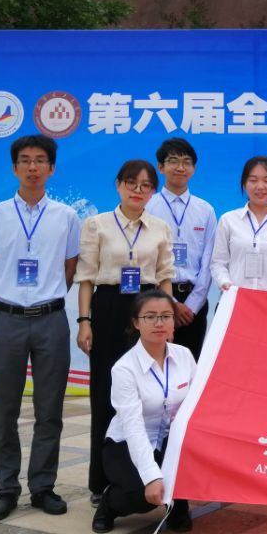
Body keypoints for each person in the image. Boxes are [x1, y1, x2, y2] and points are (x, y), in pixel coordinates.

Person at [0, 135, 81, 521]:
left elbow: (70, 268)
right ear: (14, 167)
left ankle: (43, 487)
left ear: (51, 168)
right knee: (4, 410)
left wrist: (46, 300)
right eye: (26, 160)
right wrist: (4, 306)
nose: (33, 167)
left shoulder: (66, 216)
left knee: (50, 411)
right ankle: (6, 489)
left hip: (51, 321)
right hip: (7, 322)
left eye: (40, 160)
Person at [75, 160, 175, 506]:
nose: (138, 190)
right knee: (105, 394)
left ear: (153, 191)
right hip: (109, 308)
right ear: (119, 185)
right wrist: (84, 321)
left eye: (146, 185)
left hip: (148, 308)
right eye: (131, 183)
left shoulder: (160, 227)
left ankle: (149, 474)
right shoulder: (97, 224)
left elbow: (165, 277)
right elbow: (86, 278)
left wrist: (166, 319)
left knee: (151, 395)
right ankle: (100, 481)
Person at [91, 290, 194, 533]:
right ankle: (109, 503)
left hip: (169, 439)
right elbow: (134, 428)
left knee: (195, 462)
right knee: (142, 494)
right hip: (127, 442)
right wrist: (152, 477)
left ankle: (177, 503)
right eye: (150, 316)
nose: (159, 323)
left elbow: (196, 407)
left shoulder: (184, 355)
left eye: (166, 316)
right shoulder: (124, 368)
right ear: (136, 323)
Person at [145, 138, 216, 360]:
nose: (180, 167)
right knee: (155, 364)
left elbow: (209, 261)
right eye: (173, 161)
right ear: (161, 167)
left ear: (194, 168)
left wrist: (192, 305)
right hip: (154, 298)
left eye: (187, 162)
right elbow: (145, 259)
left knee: (190, 365)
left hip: (194, 304)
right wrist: (171, 304)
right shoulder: (147, 206)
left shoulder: (205, 210)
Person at [210, 155, 267, 293]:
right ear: (244, 184)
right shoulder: (228, 220)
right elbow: (218, 262)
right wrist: (224, 282)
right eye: (253, 180)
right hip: (236, 299)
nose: (260, 186)